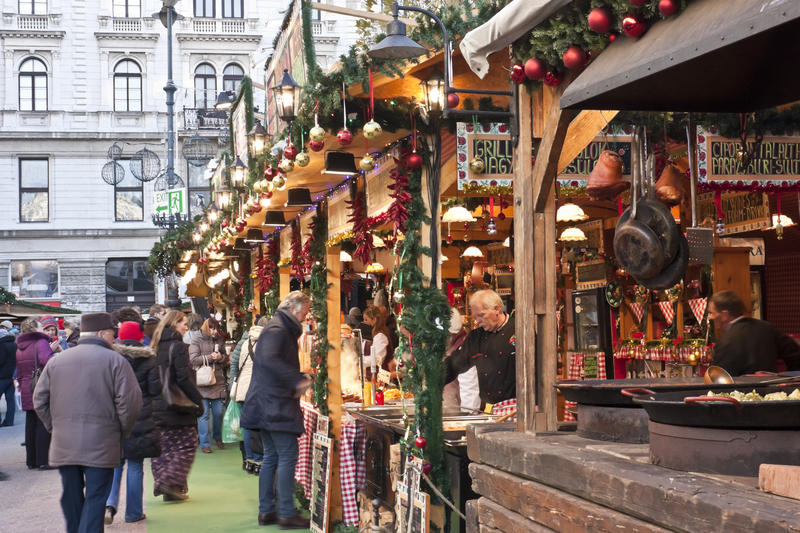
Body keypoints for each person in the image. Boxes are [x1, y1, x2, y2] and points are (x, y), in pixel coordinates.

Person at [33, 312, 142, 533]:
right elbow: (130, 404)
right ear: (102, 334)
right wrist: (120, 431)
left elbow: (39, 400)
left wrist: (56, 428)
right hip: (102, 443)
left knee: (71, 497)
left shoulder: (57, 362)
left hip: (65, 443)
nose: (115, 339)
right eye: (113, 334)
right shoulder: (116, 361)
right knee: (96, 498)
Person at [241, 291, 313, 529]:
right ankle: (285, 512)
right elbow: (269, 360)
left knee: (272, 457)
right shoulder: (278, 329)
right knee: (286, 456)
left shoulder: (278, 327)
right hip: (275, 405)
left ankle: (267, 511)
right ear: (293, 309)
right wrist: (297, 380)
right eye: (304, 311)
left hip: (267, 404)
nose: (306, 316)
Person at [104, 321, 162, 525]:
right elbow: (156, 390)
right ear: (139, 336)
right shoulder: (148, 358)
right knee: (136, 465)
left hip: (116, 416)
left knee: (116, 464)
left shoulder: (111, 357)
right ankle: (133, 512)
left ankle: (109, 505)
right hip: (141, 416)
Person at [150, 310, 203, 501]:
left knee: (163, 447)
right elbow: (183, 379)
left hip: (156, 406)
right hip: (177, 405)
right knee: (187, 444)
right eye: (183, 323)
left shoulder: (153, 346)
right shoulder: (179, 347)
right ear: (174, 324)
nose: (186, 327)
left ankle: (167, 487)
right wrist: (198, 401)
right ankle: (168, 482)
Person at [444, 289, 516, 411]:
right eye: (475, 317)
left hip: (514, 409)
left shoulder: (518, 330)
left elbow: (537, 367)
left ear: (497, 309)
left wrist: (537, 403)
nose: (477, 321)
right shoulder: (475, 337)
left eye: (481, 315)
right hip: (489, 410)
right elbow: (454, 364)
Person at [709, 290, 800, 376]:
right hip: (772, 390)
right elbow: (795, 355)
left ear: (725, 315)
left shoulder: (725, 342)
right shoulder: (767, 327)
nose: (710, 317)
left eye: (712, 313)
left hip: (742, 391)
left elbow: (718, 380)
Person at [229, 317, 268, 474]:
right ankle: (258, 460)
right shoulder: (265, 344)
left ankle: (249, 460)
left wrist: (233, 384)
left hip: (243, 389)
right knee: (257, 427)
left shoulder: (244, 342)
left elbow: (235, 364)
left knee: (247, 426)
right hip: (257, 389)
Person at [16, 318, 55, 468]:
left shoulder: (20, 346)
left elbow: (19, 369)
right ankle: (43, 461)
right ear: (34, 329)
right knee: (43, 422)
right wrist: (54, 351)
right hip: (40, 385)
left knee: (31, 423)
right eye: (40, 327)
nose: (43, 329)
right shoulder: (41, 342)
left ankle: (31, 461)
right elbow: (47, 361)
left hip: (26, 386)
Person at [188, 317, 229, 453]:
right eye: (212, 328)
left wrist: (221, 358)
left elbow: (225, 358)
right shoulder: (196, 340)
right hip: (202, 382)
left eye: (216, 328)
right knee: (204, 414)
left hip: (217, 381)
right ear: (206, 327)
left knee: (218, 413)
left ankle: (217, 436)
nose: (214, 331)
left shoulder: (219, 340)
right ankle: (205, 443)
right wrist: (210, 357)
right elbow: (193, 359)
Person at [443, 308, 480, 411]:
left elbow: (470, 389)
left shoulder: (464, 348)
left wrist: (468, 416)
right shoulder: (444, 347)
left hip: (454, 411)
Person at [363, 306, 396, 378]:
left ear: (374, 320)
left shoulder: (380, 336)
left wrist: (360, 360)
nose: (364, 322)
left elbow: (378, 358)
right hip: (374, 376)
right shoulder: (376, 335)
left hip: (382, 378)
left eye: (366, 319)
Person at [0, 325, 17, 427]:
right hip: (12, 376)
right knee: (10, 400)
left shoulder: (1, 345)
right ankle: (9, 421)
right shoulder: (14, 344)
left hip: (1, 376)